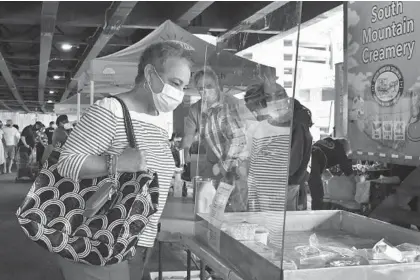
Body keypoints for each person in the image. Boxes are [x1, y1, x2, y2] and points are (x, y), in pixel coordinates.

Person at [56, 40, 194, 280]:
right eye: (175, 83)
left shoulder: (158, 120)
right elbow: (66, 163)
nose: (179, 93)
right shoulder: (110, 110)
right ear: (150, 73)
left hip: (137, 240)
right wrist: (116, 163)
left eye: (184, 86)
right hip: (102, 236)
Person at [181, 66, 251, 211]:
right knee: (214, 207)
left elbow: (240, 140)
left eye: (209, 86)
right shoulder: (196, 109)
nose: (204, 91)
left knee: (237, 208)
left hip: (237, 163)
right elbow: (188, 135)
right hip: (214, 163)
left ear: (217, 86)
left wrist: (222, 166)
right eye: (200, 88)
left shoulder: (233, 104)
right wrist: (185, 152)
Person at [308, 137, 355, 210]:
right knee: (317, 192)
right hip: (315, 158)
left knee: (314, 188)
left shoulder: (329, 141)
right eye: (346, 152)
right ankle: (317, 213)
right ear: (345, 147)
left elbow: (325, 156)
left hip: (309, 155)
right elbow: (346, 167)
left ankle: (315, 209)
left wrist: (330, 175)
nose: (346, 153)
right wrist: (355, 183)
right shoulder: (340, 148)